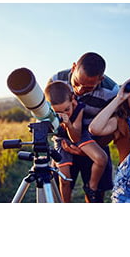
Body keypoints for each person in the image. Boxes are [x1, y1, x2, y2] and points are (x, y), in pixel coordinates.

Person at [48, 52, 118, 203]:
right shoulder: (56, 81)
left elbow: (114, 127)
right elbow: (48, 114)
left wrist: (88, 149)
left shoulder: (112, 93)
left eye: (87, 88)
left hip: (94, 142)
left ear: (101, 79)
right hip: (64, 142)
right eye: (76, 83)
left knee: (96, 196)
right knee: (60, 189)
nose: (79, 90)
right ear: (73, 68)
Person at [45, 81, 109, 203]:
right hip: (61, 140)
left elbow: (76, 138)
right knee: (64, 179)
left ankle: (91, 187)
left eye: (67, 109)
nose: (64, 114)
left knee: (101, 158)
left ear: (72, 100)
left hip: (78, 134)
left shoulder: (78, 108)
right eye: (58, 112)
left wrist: (68, 124)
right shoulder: (48, 114)